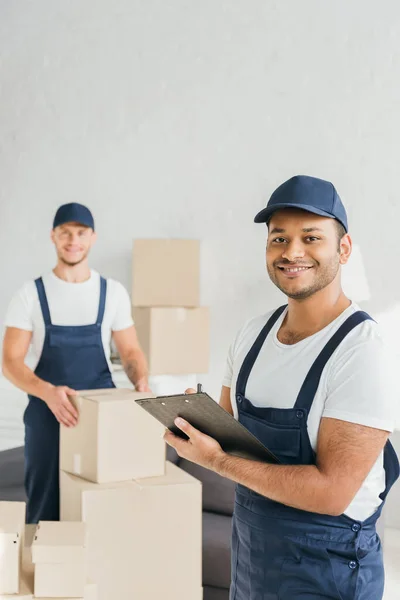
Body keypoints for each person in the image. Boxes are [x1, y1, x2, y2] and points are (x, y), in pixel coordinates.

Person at [164, 175, 399, 600]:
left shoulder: (364, 351)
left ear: (343, 249)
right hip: (253, 558)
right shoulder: (252, 336)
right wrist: (192, 421)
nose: (292, 252)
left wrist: (216, 462)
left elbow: (332, 493)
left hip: (327, 571)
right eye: (278, 239)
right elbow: (228, 436)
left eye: (311, 237)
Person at [2, 202, 150, 524]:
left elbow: (131, 352)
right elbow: (10, 361)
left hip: (101, 414)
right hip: (46, 415)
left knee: (100, 506)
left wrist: (140, 383)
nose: (73, 240)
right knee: (45, 506)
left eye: (80, 233)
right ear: (53, 237)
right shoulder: (30, 295)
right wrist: (48, 392)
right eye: (65, 233)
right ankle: (46, 572)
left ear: (93, 237)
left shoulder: (112, 293)